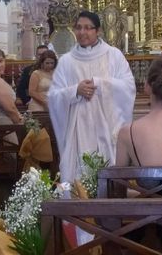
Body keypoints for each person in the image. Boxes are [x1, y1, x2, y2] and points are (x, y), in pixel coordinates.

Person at [48, 11, 136, 183]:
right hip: (78, 127)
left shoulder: (114, 55)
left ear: (98, 31)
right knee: (79, 174)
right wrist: (75, 90)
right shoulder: (66, 61)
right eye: (79, 28)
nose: (83, 32)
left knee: (107, 170)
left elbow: (128, 86)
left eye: (88, 28)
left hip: (108, 124)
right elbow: (54, 96)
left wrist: (101, 84)